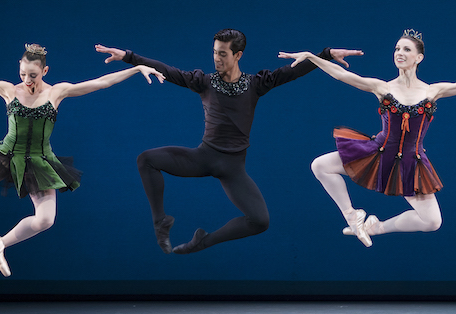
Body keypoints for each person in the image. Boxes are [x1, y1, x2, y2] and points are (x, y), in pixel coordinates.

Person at [0, 44, 164, 276]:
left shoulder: (56, 93)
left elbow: (100, 83)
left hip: (39, 161)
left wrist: (135, 68)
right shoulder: (8, 90)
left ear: (45, 71)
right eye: (23, 74)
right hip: (6, 155)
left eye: (33, 75)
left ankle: (1, 243)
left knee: (45, 220)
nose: (27, 80)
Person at [96, 29, 363, 254]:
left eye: (222, 54)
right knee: (146, 159)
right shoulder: (203, 81)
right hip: (203, 158)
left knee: (260, 221)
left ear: (238, 55)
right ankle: (160, 222)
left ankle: (204, 241)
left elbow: (292, 71)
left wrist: (326, 54)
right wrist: (128, 57)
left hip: (233, 168)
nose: (216, 58)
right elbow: (169, 70)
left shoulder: (256, 84)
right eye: (215, 52)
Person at [279, 30, 456, 247]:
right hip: (378, 152)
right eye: (396, 49)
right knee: (320, 165)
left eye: (406, 49)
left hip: (410, 163)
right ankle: (352, 216)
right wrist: (312, 57)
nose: (399, 53)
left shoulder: (432, 91)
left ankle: (376, 227)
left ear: (419, 57)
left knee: (432, 222)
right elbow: (342, 75)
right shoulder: (382, 87)